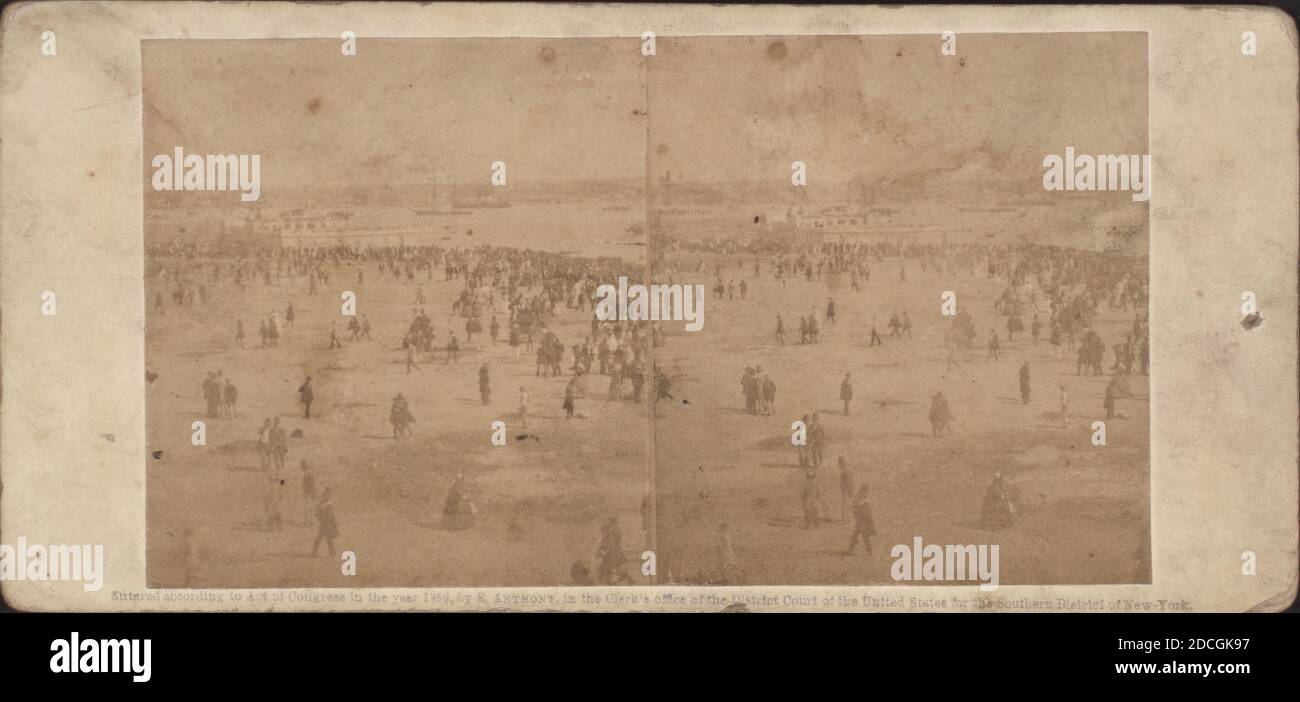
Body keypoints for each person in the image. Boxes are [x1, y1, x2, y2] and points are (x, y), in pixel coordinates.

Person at [596, 517, 631, 584]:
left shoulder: (616, 547)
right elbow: (601, 552)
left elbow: (623, 561)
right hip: (607, 566)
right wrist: (603, 554)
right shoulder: (605, 542)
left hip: (614, 566)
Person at [845, 483, 876, 555]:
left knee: (859, 536)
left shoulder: (863, 498)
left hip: (861, 521)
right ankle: (868, 551)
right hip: (862, 521)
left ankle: (852, 550)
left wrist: (856, 512)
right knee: (862, 537)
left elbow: (856, 506)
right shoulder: (865, 500)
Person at [311, 487, 338, 556]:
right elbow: (318, 510)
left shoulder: (328, 504)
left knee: (324, 539)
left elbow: (330, 515)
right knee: (325, 539)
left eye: (328, 494)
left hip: (326, 523)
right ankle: (331, 553)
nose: (327, 495)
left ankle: (316, 553)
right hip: (324, 523)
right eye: (326, 494)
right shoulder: (325, 502)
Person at [838, 457, 854, 524]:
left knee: (844, 504)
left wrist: (842, 489)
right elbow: (851, 481)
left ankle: (844, 520)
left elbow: (843, 482)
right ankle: (849, 519)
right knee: (849, 504)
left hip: (845, 489)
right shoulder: (850, 470)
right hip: (851, 488)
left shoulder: (843, 471)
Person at [300, 460, 317, 525]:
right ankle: (311, 521)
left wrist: (305, 491)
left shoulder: (306, 473)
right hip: (311, 490)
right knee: (311, 506)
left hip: (309, 491)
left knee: (308, 506)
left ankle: (307, 522)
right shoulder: (310, 472)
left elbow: (305, 484)